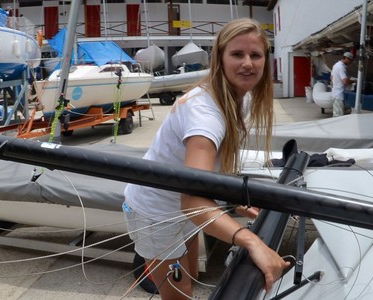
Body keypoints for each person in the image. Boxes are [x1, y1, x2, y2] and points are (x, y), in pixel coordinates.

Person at [122, 18, 290, 299]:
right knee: (179, 294)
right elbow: (192, 199)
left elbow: (210, 167)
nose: (248, 63)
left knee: (193, 276)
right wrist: (250, 241)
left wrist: (234, 198)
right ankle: (158, 270)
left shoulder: (240, 97)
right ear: (220, 58)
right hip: (156, 212)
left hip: (182, 208)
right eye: (237, 54)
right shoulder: (205, 116)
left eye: (255, 55)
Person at [331, 52, 356, 117]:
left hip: (335, 92)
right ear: (346, 58)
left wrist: (337, 82)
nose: (350, 62)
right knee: (338, 116)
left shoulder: (336, 65)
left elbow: (331, 77)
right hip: (339, 93)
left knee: (336, 113)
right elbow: (345, 81)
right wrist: (354, 81)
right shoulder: (341, 67)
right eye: (350, 60)